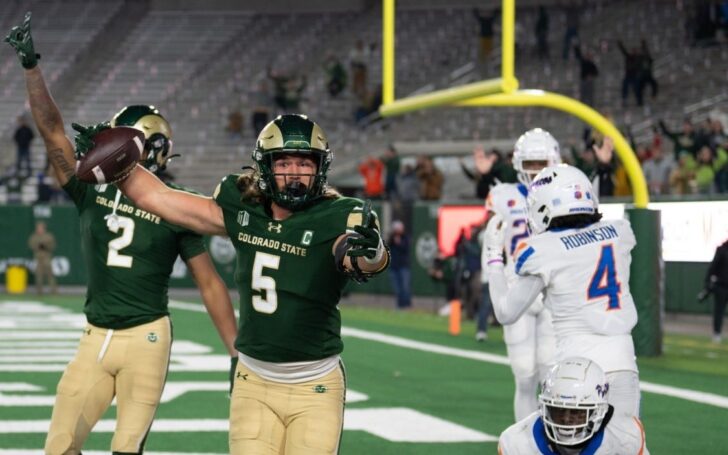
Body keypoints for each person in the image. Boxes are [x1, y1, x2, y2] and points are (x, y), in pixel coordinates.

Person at [6, 13, 238, 454]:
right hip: (95, 335)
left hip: (147, 337)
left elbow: (209, 282)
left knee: (126, 449)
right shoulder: (89, 188)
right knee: (58, 447)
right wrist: (32, 68)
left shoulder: (175, 203)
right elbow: (52, 130)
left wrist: (235, 352)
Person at [93, 113, 390, 454]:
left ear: (319, 168)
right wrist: (111, 159)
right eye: (284, 162)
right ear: (265, 166)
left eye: (304, 163)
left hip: (315, 384)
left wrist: (373, 252)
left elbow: (358, 258)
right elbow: (157, 198)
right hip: (254, 381)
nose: (294, 173)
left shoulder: (340, 215)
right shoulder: (243, 208)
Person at [485, 164, 642, 420]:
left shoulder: (544, 250)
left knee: (569, 444)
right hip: (623, 361)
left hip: (575, 369)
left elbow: (505, 312)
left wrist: (494, 259)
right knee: (626, 443)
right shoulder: (620, 232)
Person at [484, 128, 560, 421]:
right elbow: (492, 239)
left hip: (553, 286)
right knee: (525, 374)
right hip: (517, 283)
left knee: (550, 371)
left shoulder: (564, 192)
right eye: (530, 164)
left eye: (540, 163)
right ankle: (524, 443)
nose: (535, 170)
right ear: (518, 164)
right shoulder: (503, 195)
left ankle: (555, 439)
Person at [498, 357, 649, 454]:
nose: (567, 419)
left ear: (598, 412)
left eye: (577, 412)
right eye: (559, 410)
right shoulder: (517, 442)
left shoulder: (624, 437)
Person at [704, 239, 728, 343]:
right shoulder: (722, 250)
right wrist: (707, 283)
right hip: (721, 286)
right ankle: (717, 333)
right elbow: (712, 268)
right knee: (719, 311)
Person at [28, 220, 57, 295]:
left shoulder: (48, 236)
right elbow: (31, 245)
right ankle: (39, 291)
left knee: (50, 275)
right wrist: (38, 246)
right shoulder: (34, 236)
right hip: (38, 257)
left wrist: (46, 246)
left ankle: (53, 291)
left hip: (46, 257)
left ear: (44, 228)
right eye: (38, 228)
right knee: (38, 275)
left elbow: (53, 246)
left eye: (41, 228)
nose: (39, 229)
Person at [388, 220, 412, 309]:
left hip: (403, 266)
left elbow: (405, 248)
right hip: (394, 266)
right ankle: (399, 305)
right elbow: (387, 245)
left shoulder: (405, 237)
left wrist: (399, 243)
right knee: (397, 288)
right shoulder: (392, 238)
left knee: (405, 287)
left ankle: (406, 305)